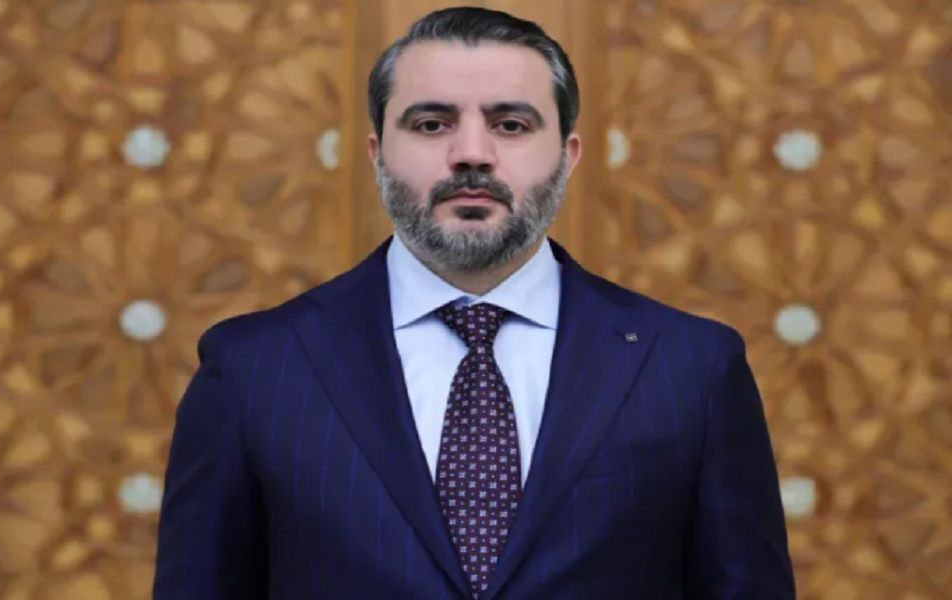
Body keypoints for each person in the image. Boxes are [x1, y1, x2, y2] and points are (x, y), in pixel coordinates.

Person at [153, 6, 794, 599]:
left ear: (567, 156)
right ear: (377, 153)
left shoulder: (692, 367)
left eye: (510, 125)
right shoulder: (253, 369)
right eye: (431, 124)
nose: (470, 155)